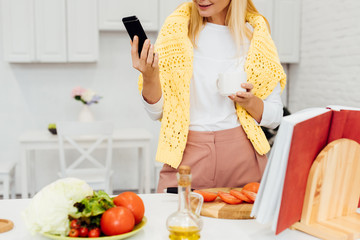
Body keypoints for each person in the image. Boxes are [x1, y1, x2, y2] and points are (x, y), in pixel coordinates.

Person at [130, 0, 286, 193]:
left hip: (242, 155)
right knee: (173, 217)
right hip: (187, 155)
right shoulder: (176, 35)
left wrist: (251, 102)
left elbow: (276, 117)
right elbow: (157, 113)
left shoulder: (257, 41)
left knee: (244, 223)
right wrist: (149, 76)